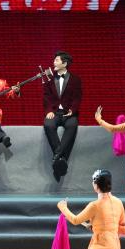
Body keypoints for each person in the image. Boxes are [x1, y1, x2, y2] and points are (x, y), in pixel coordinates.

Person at [56, 169, 125, 249]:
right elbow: (121, 225)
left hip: (102, 246)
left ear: (96, 186)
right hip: (115, 247)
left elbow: (75, 220)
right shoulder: (118, 202)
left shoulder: (95, 205)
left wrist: (63, 207)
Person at [43, 51, 82, 180]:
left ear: (64, 63)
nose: (54, 62)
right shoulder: (49, 79)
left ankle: (56, 157)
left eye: (57, 60)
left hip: (68, 113)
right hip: (54, 112)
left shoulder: (75, 79)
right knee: (48, 124)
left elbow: (77, 98)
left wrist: (72, 109)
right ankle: (61, 158)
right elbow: (46, 97)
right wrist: (48, 110)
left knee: (72, 125)